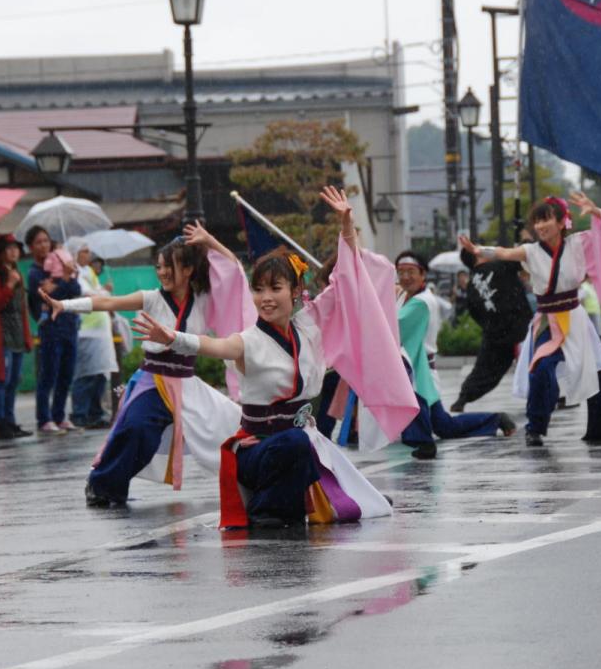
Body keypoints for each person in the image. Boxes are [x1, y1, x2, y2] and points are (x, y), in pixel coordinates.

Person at [131, 187, 416, 528]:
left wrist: (346, 225)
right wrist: (173, 338)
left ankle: (305, 502)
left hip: (300, 439)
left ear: (295, 292)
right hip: (257, 451)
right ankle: (264, 509)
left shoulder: (309, 322)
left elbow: (347, 277)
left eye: (275, 288)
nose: (265, 298)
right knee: (298, 449)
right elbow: (214, 346)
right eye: (258, 289)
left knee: (349, 491)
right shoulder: (248, 340)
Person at [44, 225, 245, 507]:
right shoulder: (151, 298)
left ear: (187, 270)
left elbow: (234, 272)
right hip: (154, 380)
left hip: (187, 384)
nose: (161, 272)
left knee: (235, 423)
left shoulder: (202, 300)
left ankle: (255, 479)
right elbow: (107, 301)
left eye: (168, 267)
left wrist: (210, 240)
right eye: (159, 267)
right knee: (136, 429)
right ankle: (102, 485)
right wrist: (64, 305)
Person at [459, 193, 601, 448]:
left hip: (575, 318)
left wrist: (597, 212)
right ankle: (535, 428)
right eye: (537, 221)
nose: (540, 226)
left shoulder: (578, 243)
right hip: (548, 320)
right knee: (541, 370)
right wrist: (478, 250)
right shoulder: (530, 252)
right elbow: (504, 253)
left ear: (563, 221)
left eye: (546, 220)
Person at [394, 250, 516, 459]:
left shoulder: (420, 302)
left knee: (416, 403)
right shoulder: (408, 297)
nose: (405, 277)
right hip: (420, 367)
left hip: (419, 369)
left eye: (411, 271)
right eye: (401, 272)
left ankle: (424, 443)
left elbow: (394, 326)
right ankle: (496, 420)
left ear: (423, 274)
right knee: (444, 425)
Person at [450, 246, 533, 412]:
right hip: (520, 326)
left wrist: (491, 326)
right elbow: (524, 258)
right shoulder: (500, 265)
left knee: (486, 369)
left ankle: (463, 398)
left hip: (496, 334)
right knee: (541, 360)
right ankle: (556, 395)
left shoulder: (472, 285)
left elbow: (474, 312)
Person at [25, 225, 81, 434]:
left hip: (69, 325)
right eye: (38, 242)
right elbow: (47, 297)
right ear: (31, 247)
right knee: (49, 373)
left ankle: (59, 416)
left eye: (46, 241)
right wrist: (63, 283)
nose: (44, 245)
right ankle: (44, 418)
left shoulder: (61, 263)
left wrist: (66, 279)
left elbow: (76, 290)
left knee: (66, 373)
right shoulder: (35, 272)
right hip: (50, 328)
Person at [0, 235, 34, 441]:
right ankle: (0, 423)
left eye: (16, 248)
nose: (14, 252)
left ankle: (11, 421)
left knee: (13, 381)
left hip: (17, 335)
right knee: (1, 381)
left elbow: (22, 308)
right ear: (1, 252)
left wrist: (27, 337)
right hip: (1, 336)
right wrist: (9, 286)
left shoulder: (17, 273)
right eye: (9, 248)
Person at [66, 237, 119, 429]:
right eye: (84, 251)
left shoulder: (89, 272)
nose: (88, 255)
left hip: (100, 330)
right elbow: (87, 294)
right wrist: (103, 292)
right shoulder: (73, 273)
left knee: (99, 374)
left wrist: (103, 292)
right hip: (85, 331)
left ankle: (95, 413)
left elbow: (97, 293)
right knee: (85, 374)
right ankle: (80, 413)